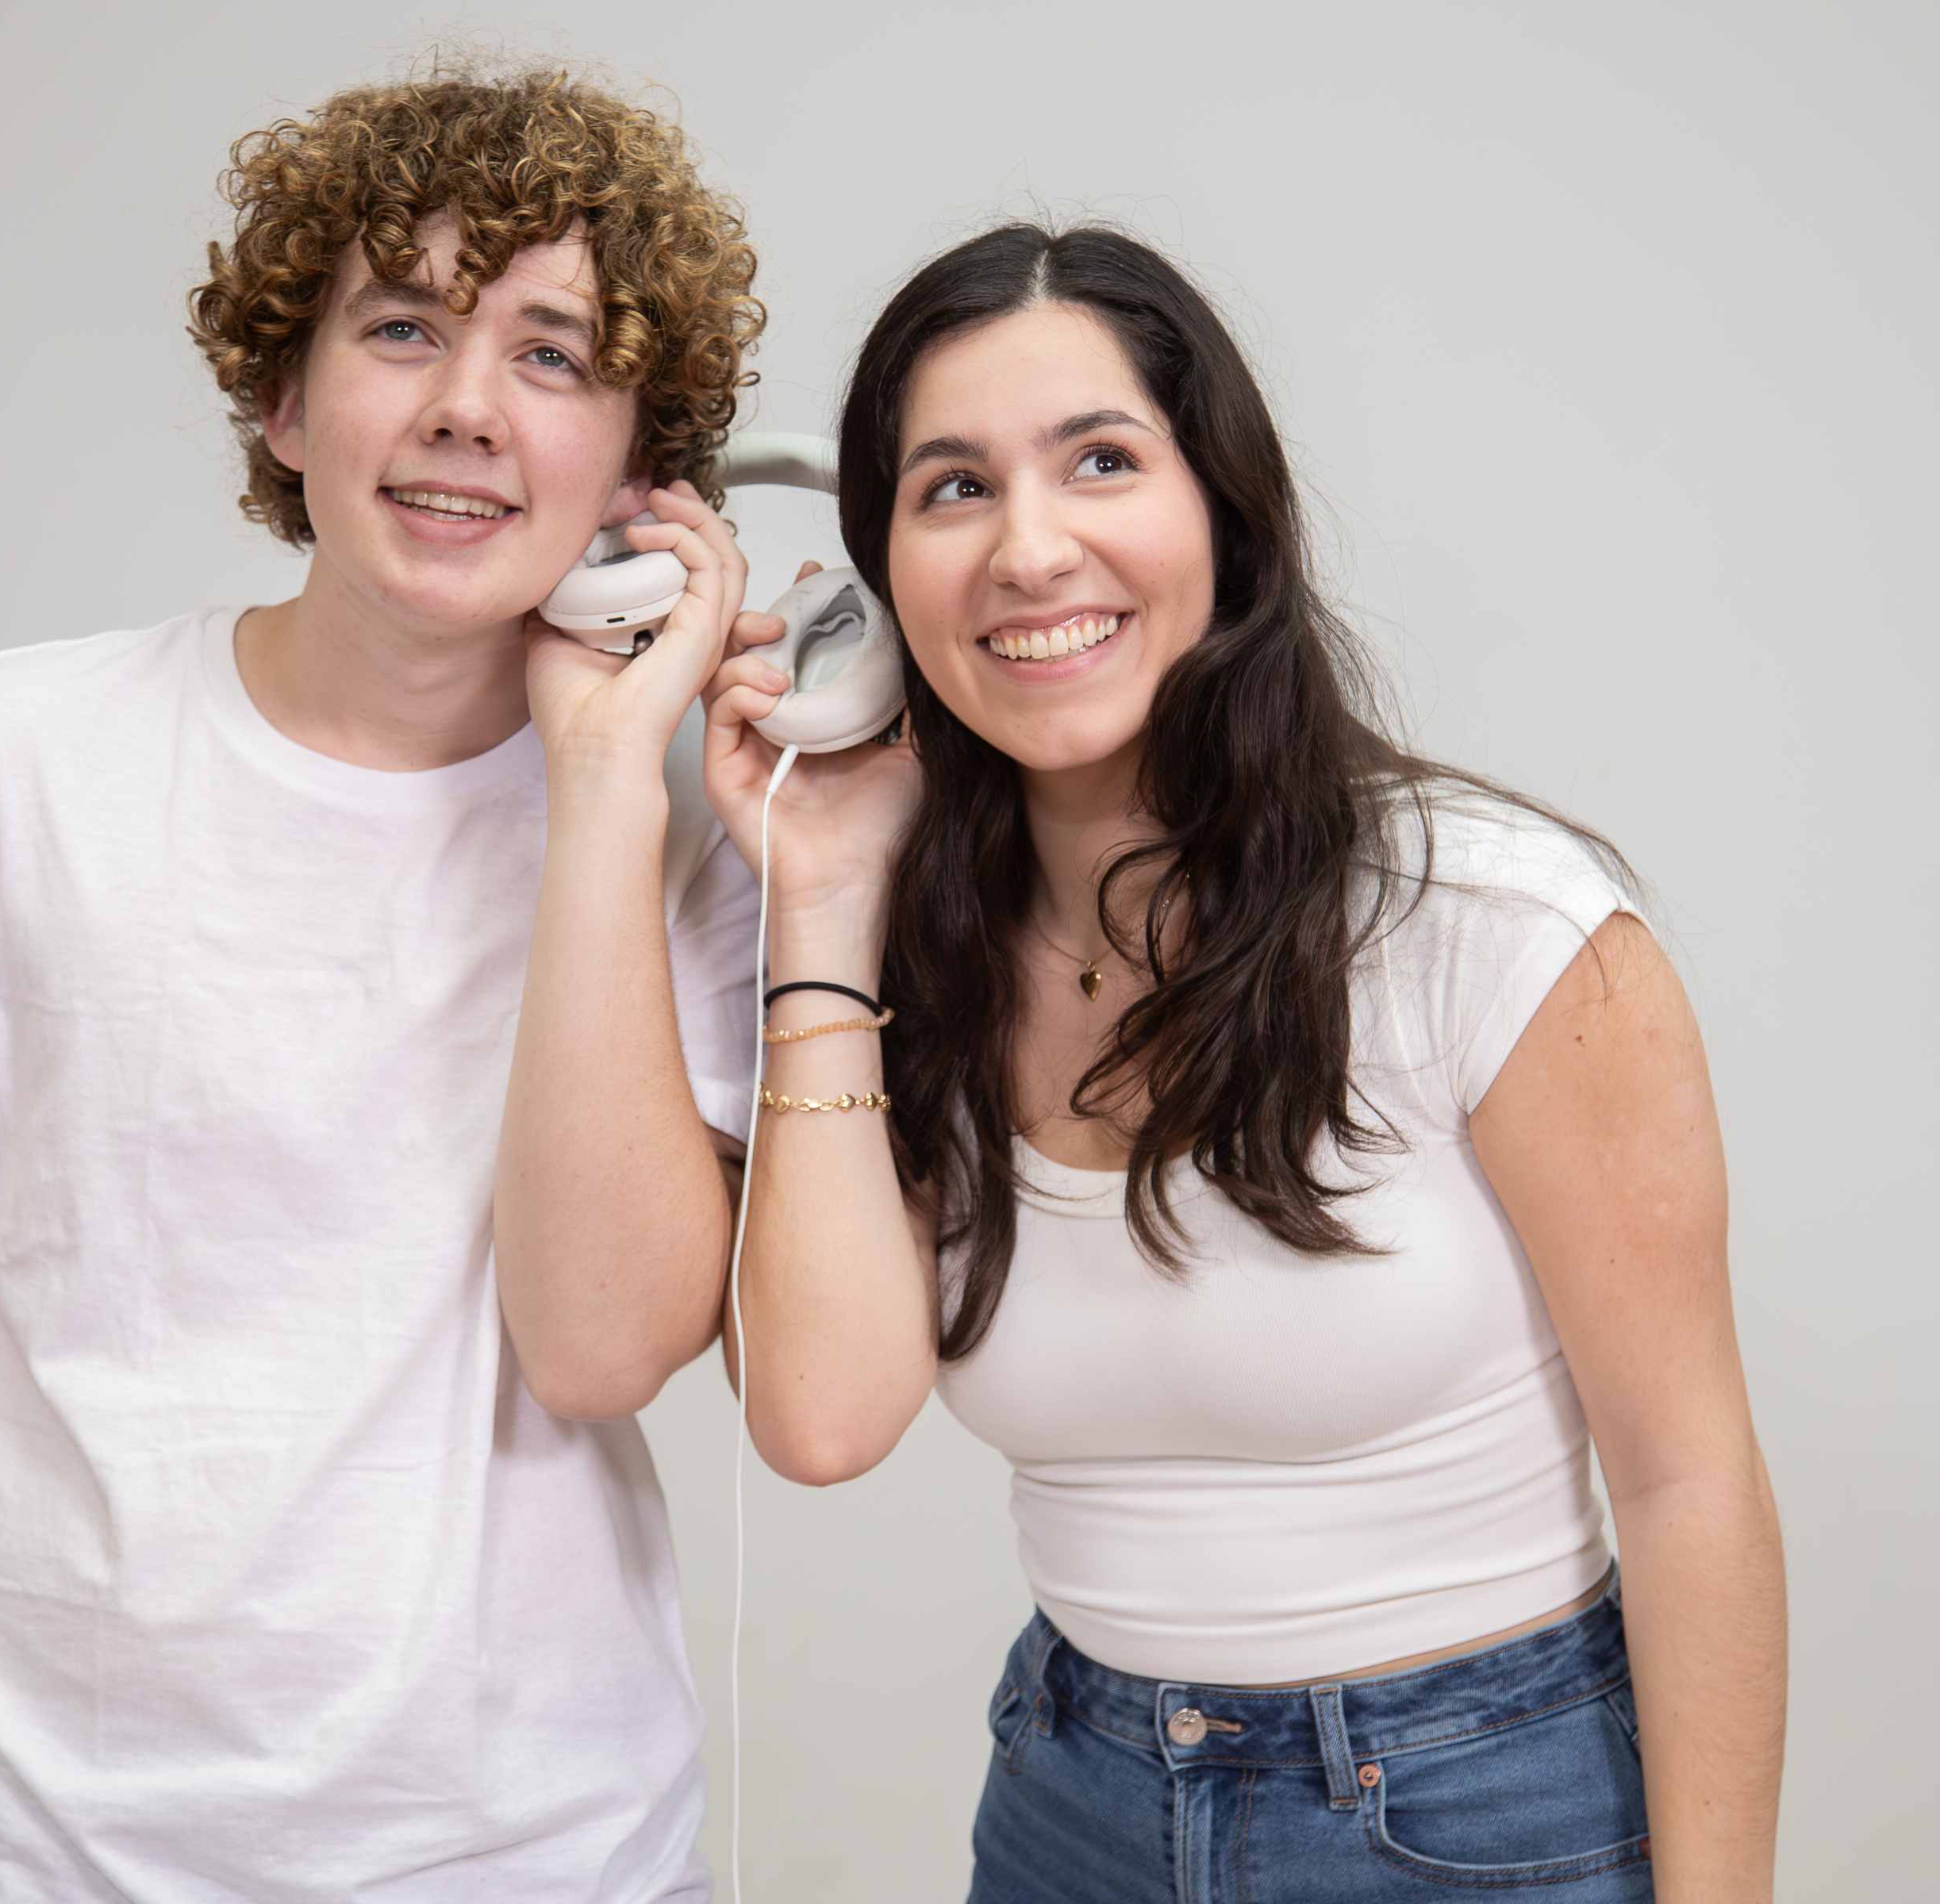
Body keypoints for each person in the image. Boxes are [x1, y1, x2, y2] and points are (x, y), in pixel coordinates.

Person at [0, 67, 766, 1904]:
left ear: (647, 467)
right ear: (281, 393)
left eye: (555, 355)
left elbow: (599, 1345)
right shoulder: (0, 756)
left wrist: (595, 782)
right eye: (401, 327)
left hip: (522, 1858)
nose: (469, 410)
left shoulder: (695, 822)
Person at [701, 224, 1784, 1903]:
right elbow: (825, 1418)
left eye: (1103, 461)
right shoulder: (905, 947)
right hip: (1074, 1801)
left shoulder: (1495, 924)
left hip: (1477, 1810)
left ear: (1225, 512)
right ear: (877, 578)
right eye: (953, 489)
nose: (1030, 550)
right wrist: (827, 905)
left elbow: (1689, 1475)